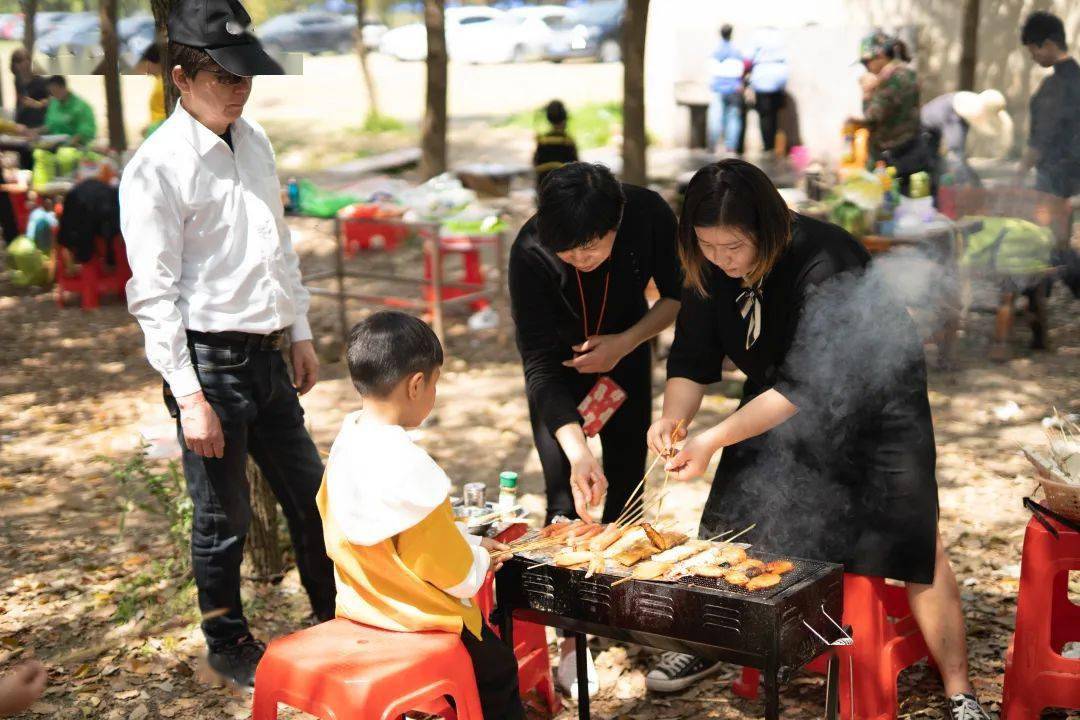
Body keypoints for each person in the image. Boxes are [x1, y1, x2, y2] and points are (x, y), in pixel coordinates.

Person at [641, 159, 992, 720]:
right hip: (775, 396)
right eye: (708, 245)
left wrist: (713, 441)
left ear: (769, 227)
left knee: (912, 542)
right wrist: (675, 421)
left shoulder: (826, 257)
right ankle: (718, 648)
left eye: (734, 246)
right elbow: (692, 357)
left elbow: (808, 385)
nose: (722, 259)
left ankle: (960, 690)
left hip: (877, 400)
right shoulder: (707, 264)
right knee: (741, 521)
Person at [119, 0, 335, 688]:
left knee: (314, 496)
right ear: (182, 79)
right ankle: (226, 637)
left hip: (269, 351)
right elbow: (153, 295)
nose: (241, 89)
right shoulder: (156, 168)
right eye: (225, 79)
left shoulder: (257, 140)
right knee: (223, 515)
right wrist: (189, 397)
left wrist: (297, 330)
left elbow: (278, 247)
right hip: (207, 361)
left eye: (247, 77)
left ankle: (334, 613)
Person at [508, 161, 681, 695]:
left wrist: (625, 342)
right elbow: (537, 364)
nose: (581, 261)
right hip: (559, 376)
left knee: (628, 487)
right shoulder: (530, 250)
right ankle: (571, 639)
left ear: (617, 222)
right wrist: (580, 451)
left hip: (626, 353)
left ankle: (624, 611)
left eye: (592, 249)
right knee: (565, 500)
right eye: (570, 253)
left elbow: (677, 296)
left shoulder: (647, 213)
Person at [321, 311, 525, 720]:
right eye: (436, 383)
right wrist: (480, 559)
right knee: (498, 666)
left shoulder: (347, 445)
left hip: (362, 605)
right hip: (416, 618)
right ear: (417, 385)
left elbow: (388, 538)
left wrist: (466, 541)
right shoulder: (410, 469)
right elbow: (446, 568)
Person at [858, 31, 930, 193]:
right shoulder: (908, 74)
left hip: (893, 159)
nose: (866, 68)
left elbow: (872, 115)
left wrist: (867, 93)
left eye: (866, 62)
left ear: (880, 55)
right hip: (911, 151)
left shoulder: (890, 79)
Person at [1019, 11, 1080, 198]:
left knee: (1049, 228)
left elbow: (1041, 138)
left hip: (1055, 182)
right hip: (1076, 182)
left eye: (1032, 50)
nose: (1032, 57)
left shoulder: (1054, 87)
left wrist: (1020, 171)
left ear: (1048, 45)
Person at [920, 89, 1013, 188]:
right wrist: (973, 186)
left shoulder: (963, 115)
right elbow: (955, 156)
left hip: (932, 129)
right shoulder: (953, 117)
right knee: (942, 163)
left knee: (952, 160)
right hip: (925, 131)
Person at [746, 27, 788, 153]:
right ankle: (773, 144)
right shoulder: (780, 35)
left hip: (762, 78)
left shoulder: (756, 36)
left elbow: (748, 58)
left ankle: (768, 145)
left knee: (764, 115)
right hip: (779, 77)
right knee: (774, 114)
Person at [707, 24, 747, 154]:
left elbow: (711, 69)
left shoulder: (716, 50)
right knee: (733, 118)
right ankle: (731, 148)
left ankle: (713, 146)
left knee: (716, 118)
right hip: (734, 88)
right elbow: (741, 68)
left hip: (718, 88)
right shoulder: (736, 50)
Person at [533, 99, 578, 192]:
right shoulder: (568, 141)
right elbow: (576, 165)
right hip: (564, 187)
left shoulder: (542, 140)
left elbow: (536, 162)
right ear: (565, 118)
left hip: (544, 185)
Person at [42, 76, 97, 145]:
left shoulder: (81, 106)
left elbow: (86, 131)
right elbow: (49, 126)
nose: (54, 95)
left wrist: (69, 143)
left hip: (78, 147)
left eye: (56, 91)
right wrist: (34, 132)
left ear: (64, 88)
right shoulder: (54, 104)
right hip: (55, 145)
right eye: (52, 93)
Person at [10, 48, 49, 131]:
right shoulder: (17, 79)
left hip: (37, 124)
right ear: (14, 65)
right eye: (19, 61)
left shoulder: (40, 81)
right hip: (21, 122)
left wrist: (38, 104)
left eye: (27, 59)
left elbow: (53, 100)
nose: (25, 63)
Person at [139, 43, 167, 137]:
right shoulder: (162, 81)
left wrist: (151, 129)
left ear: (149, 62)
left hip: (161, 132)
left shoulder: (163, 84)